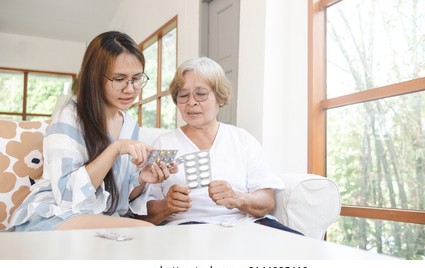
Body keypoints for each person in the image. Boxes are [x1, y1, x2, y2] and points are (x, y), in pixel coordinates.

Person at [9, 31, 176, 232]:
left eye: (136, 78)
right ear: (95, 77)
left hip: (96, 216)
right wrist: (115, 148)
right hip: (54, 214)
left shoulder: (130, 125)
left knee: (142, 232)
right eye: (119, 79)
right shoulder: (70, 117)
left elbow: (118, 199)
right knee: (142, 230)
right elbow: (66, 196)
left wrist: (142, 180)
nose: (130, 89)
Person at [136, 57, 302, 235]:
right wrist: (166, 206)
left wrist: (238, 198)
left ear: (220, 99)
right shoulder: (163, 144)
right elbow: (141, 214)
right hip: (188, 228)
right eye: (183, 95)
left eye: (201, 94)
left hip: (245, 225)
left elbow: (267, 202)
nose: (191, 102)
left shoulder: (242, 140)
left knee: (304, 250)